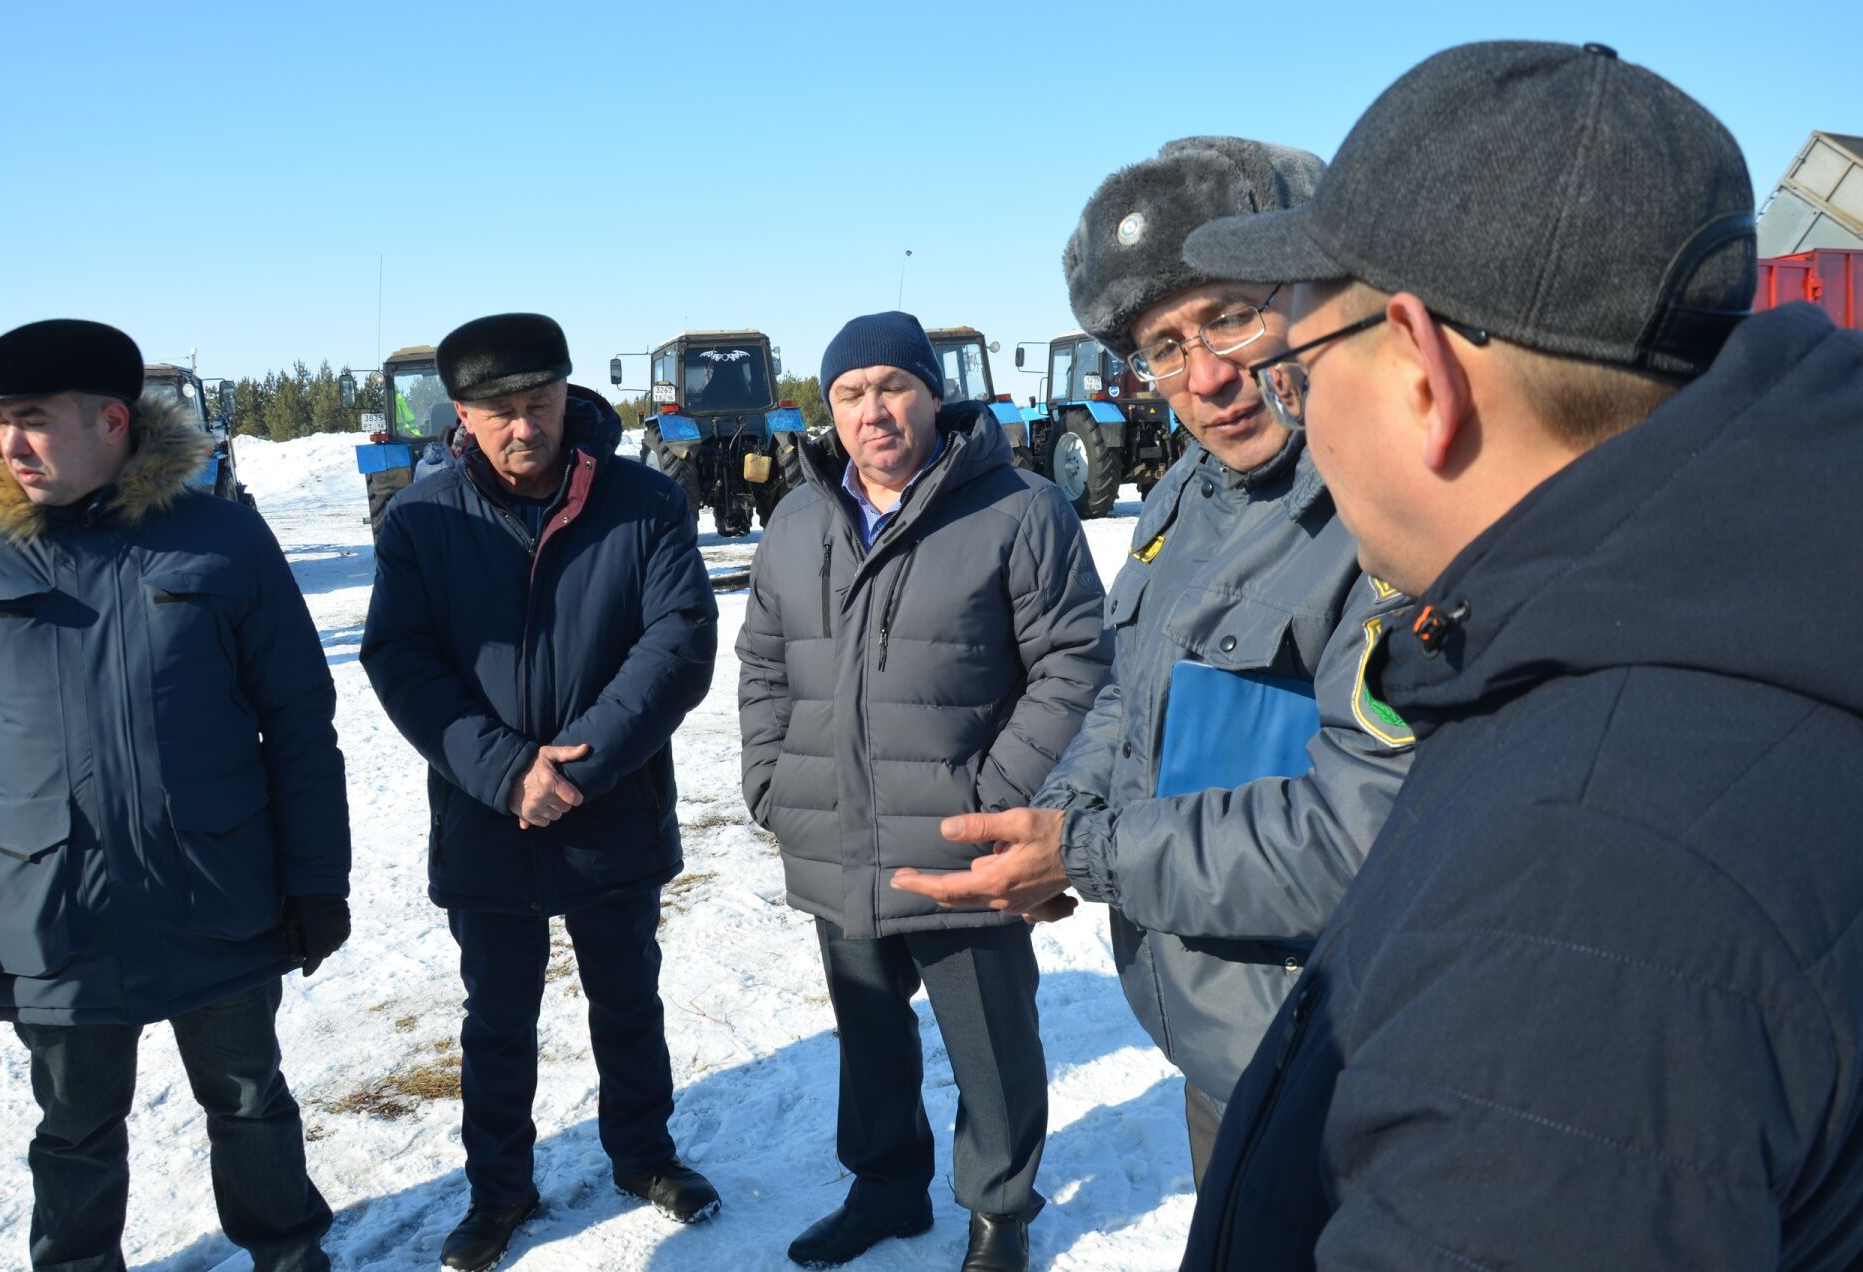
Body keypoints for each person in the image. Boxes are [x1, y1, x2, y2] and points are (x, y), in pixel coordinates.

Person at [1174, 40, 1863, 1269]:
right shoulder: (1733, 633)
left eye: (1295, 368)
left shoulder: (1584, 901)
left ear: (1425, 375)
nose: (1292, 416)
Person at [890, 138, 1415, 1186]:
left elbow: (1375, 835)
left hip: (1354, 1062)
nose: (1205, 375)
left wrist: (1086, 854)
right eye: (1163, 345)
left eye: (1230, 314)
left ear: (1317, 293)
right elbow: (1130, 701)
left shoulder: (1392, 516)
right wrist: (1054, 826)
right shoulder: (1187, 494)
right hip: (1221, 1045)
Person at [0, 319, 350, 1271]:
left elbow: (297, 719)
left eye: (33, 419)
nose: (8, 444)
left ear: (113, 420)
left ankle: (289, 1254)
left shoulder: (224, 535)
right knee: (75, 1133)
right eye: (1, 421)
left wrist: (315, 878)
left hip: (215, 887)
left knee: (250, 1104)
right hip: (54, 908)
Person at [736, 312, 1111, 1271]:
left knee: (989, 1040)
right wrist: (774, 781)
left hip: (963, 840)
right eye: (851, 395)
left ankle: (999, 1210)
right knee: (868, 1034)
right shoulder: (796, 520)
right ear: (830, 411)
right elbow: (764, 664)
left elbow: (1074, 664)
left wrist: (997, 791)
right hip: (834, 831)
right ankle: (887, 1187)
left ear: (932, 392)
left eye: (893, 387)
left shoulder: (1019, 509)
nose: (875, 411)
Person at [359, 313, 721, 1270]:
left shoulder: (644, 502)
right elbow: (400, 658)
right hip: (487, 816)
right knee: (497, 1016)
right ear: (463, 418)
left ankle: (644, 1155)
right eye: (500, 412)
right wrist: (506, 770)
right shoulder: (419, 522)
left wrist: (581, 765)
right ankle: (500, 1191)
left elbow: (677, 643)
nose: (526, 428)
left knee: (626, 994)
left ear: (568, 396)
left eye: (540, 405)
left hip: (612, 803)